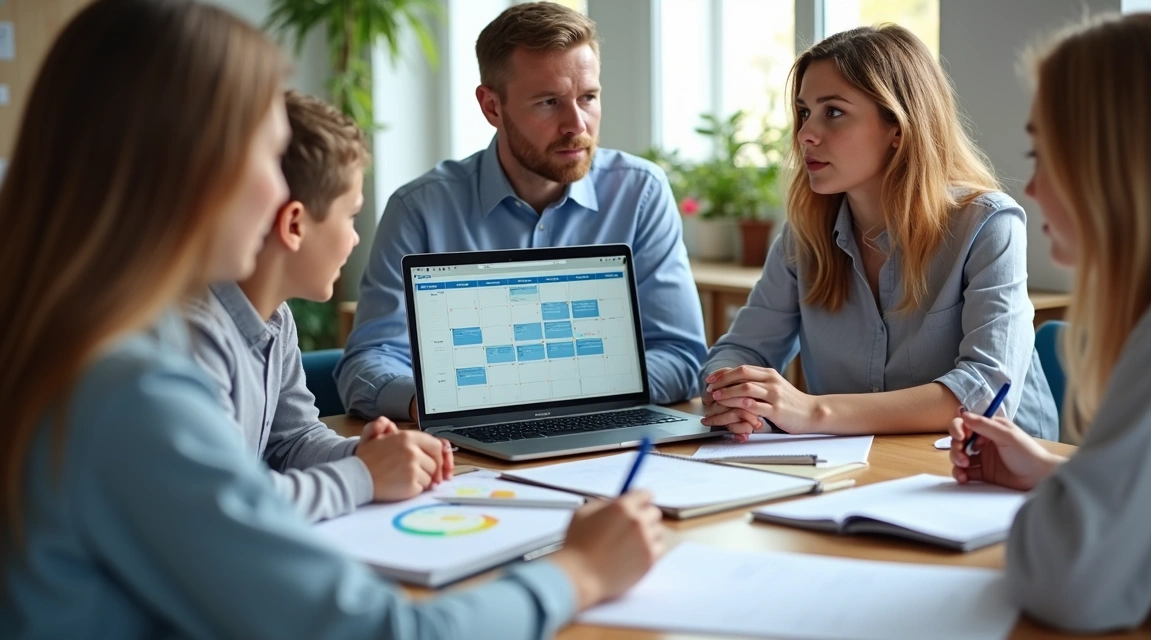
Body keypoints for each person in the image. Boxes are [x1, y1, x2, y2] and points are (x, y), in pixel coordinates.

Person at [0, 2, 664, 637]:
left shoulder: (88, 349)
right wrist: (578, 571)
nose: (279, 187)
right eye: (269, 152)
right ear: (191, 170)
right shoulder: (134, 392)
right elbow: (383, 633)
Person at [948, 12, 1151, 635]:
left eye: (1046, 153)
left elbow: (1070, 584)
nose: (1034, 186)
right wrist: (1058, 471)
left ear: (1115, 162)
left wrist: (1058, 511)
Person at [336, 1, 707, 422]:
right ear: (492, 107)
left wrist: (547, 395)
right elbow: (367, 365)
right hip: (468, 454)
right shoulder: (419, 209)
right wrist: (433, 402)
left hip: (609, 445)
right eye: (549, 102)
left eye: (588, 97)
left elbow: (681, 356)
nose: (577, 125)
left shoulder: (640, 192)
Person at [700, 25, 1057, 440]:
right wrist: (732, 392)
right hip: (862, 469)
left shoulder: (987, 225)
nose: (805, 135)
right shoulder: (805, 237)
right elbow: (741, 349)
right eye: (803, 113)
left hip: (994, 475)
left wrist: (814, 412)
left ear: (897, 128)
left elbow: (986, 391)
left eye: (833, 112)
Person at [184, 91, 452, 524]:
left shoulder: (274, 316)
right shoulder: (196, 335)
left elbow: (292, 441)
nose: (355, 238)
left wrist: (364, 454)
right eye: (350, 216)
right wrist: (363, 475)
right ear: (294, 225)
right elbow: (225, 505)